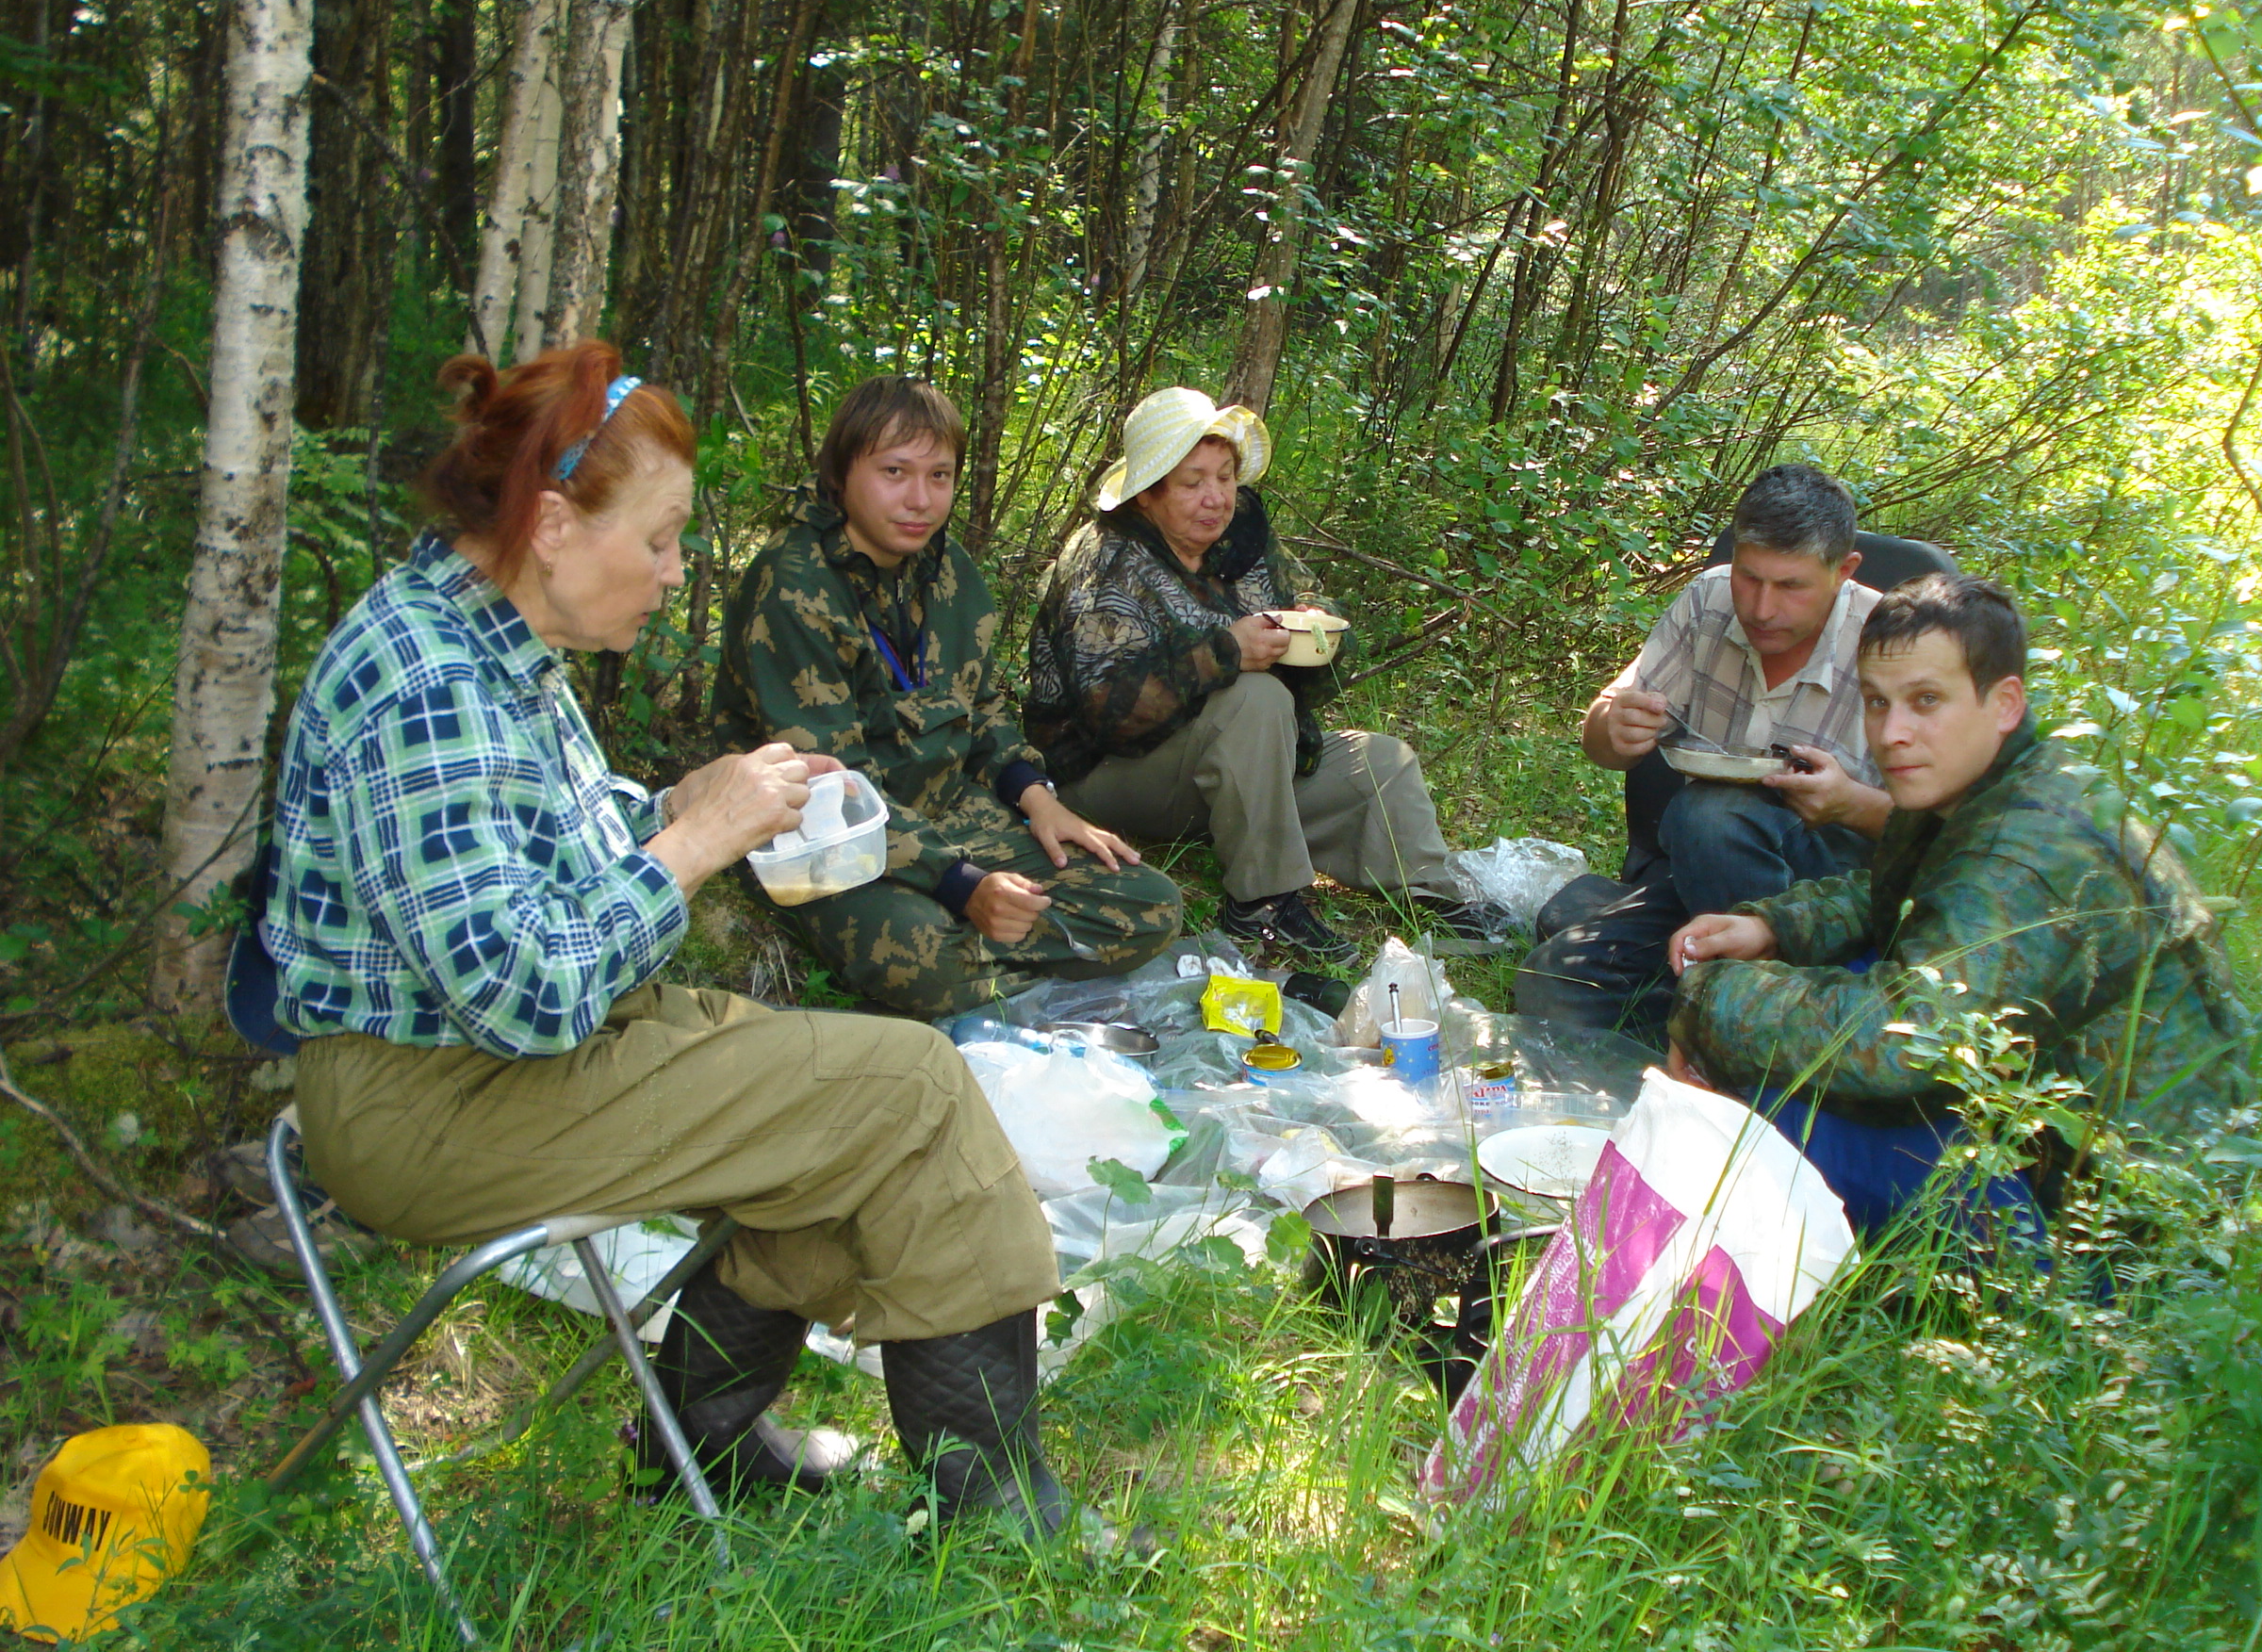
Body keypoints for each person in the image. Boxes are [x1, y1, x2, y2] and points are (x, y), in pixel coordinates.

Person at [262, 342, 1068, 1531]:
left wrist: (697, 802)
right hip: (431, 1100)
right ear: (549, 526)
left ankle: (697, 1452)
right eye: (657, 541)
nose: (675, 572)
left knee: (844, 1103)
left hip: (494, 1058)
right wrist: (694, 847)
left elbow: (558, 856)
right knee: (909, 1089)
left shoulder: (492, 643)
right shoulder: (424, 683)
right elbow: (523, 987)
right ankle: (1001, 1515)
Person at [1664, 573, 2250, 1240]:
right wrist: (1774, 925)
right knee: (1814, 1014)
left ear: (2003, 702)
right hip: (2034, 1104)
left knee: (1754, 1106)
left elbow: (1904, 1040)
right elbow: (1918, 893)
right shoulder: (1988, 776)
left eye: (1926, 701)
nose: (1893, 734)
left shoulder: (2031, 846)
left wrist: (1708, 1003)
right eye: (1878, 703)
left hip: (2103, 1226)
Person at [711, 375, 1181, 1016]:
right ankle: (998, 962)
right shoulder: (792, 584)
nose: (920, 500)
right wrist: (961, 886)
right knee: (922, 959)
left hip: (947, 806)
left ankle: (996, 963)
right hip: (829, 835)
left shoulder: (948, 567)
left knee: (1150, 902)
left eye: (940, 476)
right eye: (895, 472)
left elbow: (982, 708)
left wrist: (1038, 800)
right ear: (842, 472)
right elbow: (828, 787)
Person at [1023, 385, 1507, 968]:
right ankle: (1265, 903)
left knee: (1380, 763)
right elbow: (1106, 713)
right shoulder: (1107, 558)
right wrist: (1226, 651)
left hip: (1224, 765)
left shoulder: (1242, 541)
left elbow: (1314, 605)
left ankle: (1428, 890)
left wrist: (1310, 632)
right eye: (1192, 481)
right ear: (1148, 494)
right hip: (1106, 776)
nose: (1215, 498)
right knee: (1254, 696)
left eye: (1225, 477)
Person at [1515, 464, 1892, 1039]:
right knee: (1557, 983)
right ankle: (1712, 1015)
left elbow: (1953, 837)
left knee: (1711, 815)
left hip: (1837, 891)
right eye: (1750, 577)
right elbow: (1607, 719)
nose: (1762, 609)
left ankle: (1764, 1013)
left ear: (1844, 571)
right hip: (1701, 872)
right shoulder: (1708, 601)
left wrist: (1850, 805)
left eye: (1791, 586)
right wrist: (1611, 726)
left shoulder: (1893, 641)